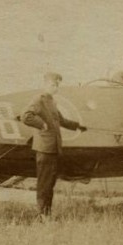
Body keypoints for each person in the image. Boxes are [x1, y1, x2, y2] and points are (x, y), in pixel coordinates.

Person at [21, 72, 87, 218]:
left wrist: (78, 126)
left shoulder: (51, 101)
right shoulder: (39, 99)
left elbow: (62, 121)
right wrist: (42, 124)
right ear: (45, 84)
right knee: (44, 183)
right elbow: (26, 116)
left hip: (53, 148)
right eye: (52, 84)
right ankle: (42, 215)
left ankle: (46, 214)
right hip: (44, 148)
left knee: (50, 183)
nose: (55, 87)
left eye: (57, 84)